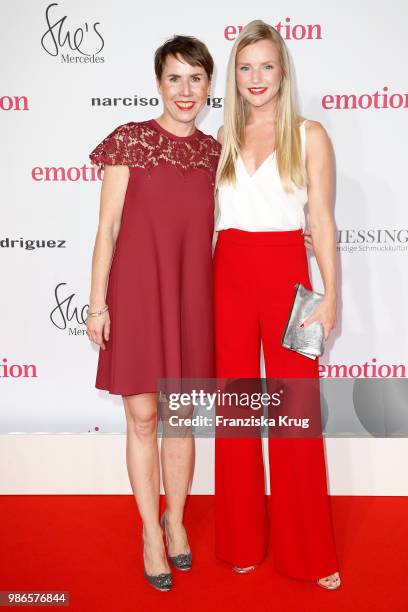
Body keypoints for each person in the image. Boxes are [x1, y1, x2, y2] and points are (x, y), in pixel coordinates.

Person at [86, 35, 220, 592]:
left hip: (193, 297)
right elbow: (108, 228)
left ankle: (177, 521)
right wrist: (98, 303)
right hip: (138, 294)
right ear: (157, 83)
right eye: (174, 78)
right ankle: (149, 531)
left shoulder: (217, 152)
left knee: (182, 421)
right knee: (143, 418)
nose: (185, 90)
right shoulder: (130, 141)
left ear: (210, 85)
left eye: (196, 78)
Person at [213, 20, 341, 590]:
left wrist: (331, 296)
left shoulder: (309, 133)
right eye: (245, 67)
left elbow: (322, 221)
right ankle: (241, 541)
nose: (256, 78)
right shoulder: (221, 136)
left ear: (283, 69)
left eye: (266, 66)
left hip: (291, 277)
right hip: (229, 276)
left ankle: (311, 553)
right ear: (234, 75)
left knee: (296, 417)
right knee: (237, 415)